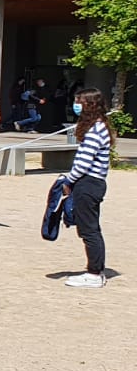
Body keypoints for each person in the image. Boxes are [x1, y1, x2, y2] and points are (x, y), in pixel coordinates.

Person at [62, 89, 112, 288]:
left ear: (89, 105)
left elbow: (83, 163)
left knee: (89, 229)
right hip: (92, 182)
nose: (76, 106)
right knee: (89, 228)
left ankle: (94, 273)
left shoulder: (95, 130)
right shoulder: (99, 127)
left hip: (89, 183)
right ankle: (95, 269)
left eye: (79, 102)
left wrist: (68, 181)